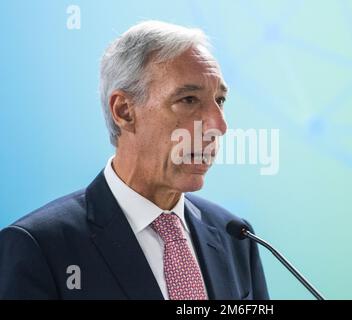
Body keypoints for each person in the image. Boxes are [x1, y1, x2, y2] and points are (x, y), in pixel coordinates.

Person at [0, 20, 269, 300]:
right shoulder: (39, 247)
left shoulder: (236, 237)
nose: (218, 125)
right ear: (124, 111)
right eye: (189, 99)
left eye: (220, 100)